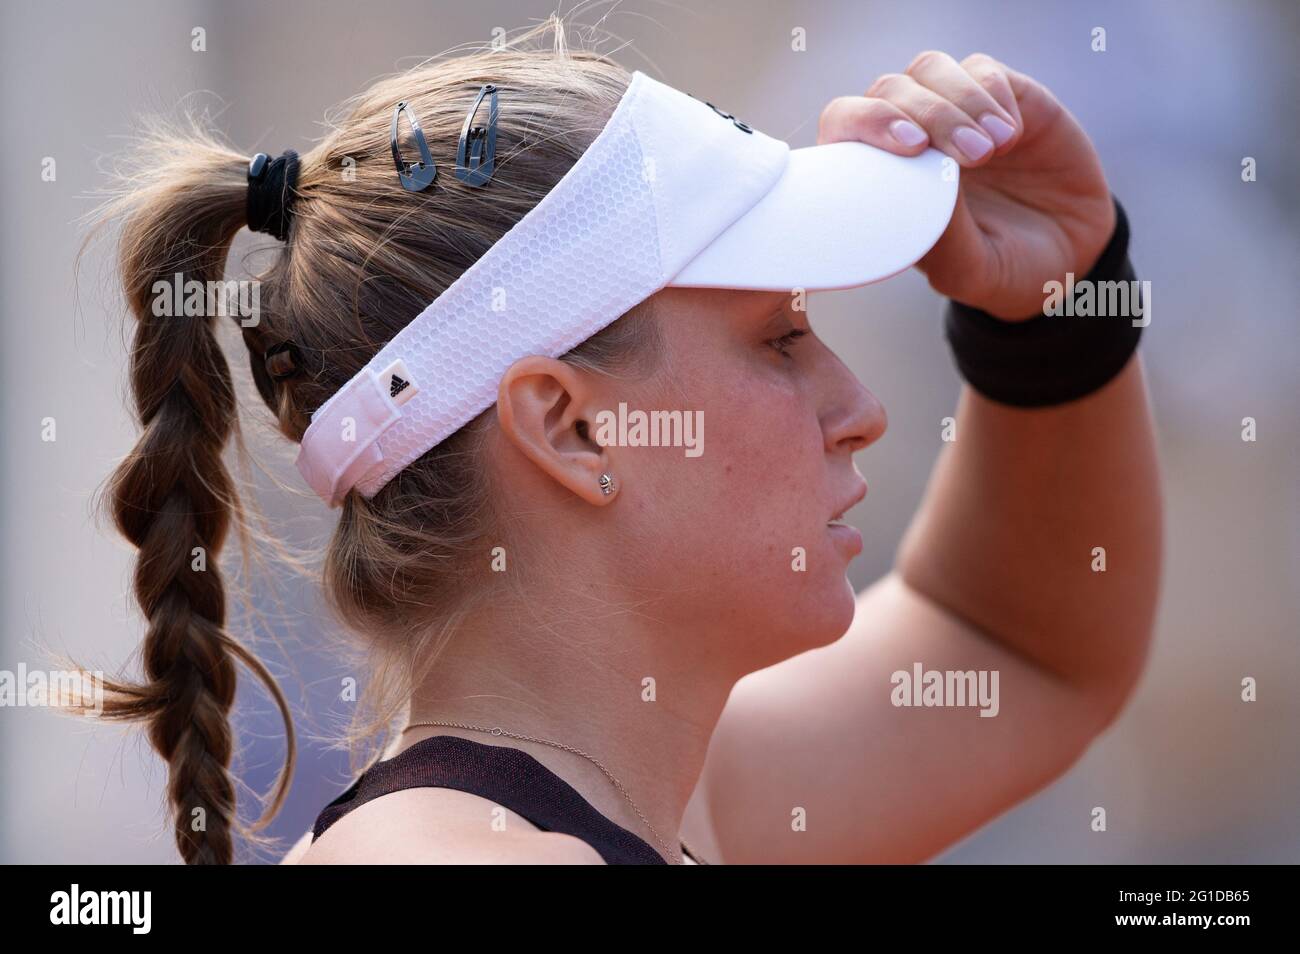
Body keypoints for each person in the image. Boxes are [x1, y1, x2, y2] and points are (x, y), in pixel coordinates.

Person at [77, 18, 1161, 865]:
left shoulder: (663, 796)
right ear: (570, 424)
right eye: (780, 338)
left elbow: (1018, 650)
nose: (860, 405)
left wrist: (1061, 305)